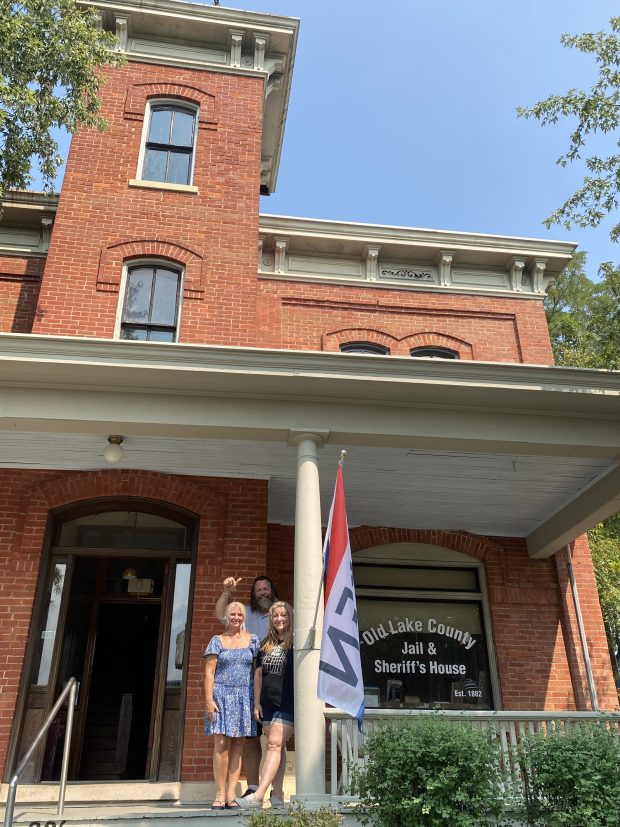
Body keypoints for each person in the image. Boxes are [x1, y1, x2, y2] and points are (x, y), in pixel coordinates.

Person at [214, 574, 279, 795]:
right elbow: (220, 613)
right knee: (251, 739)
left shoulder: (280, 614)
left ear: (272, 591)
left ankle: (275, 789)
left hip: (275, 684)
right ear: (253, 593)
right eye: (259, 589)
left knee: (275, 738)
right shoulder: (246, 614)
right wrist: (226, 591)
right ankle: (252, 787)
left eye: (266, 588)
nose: (262, 592)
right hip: (248, 685)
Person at [237, 601, 294, 809]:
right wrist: (257, 702)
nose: (279, 619)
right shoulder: (265, 644)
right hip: (267, 704)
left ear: (290, 617)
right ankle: (277, 795)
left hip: (287, 703)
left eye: (283, 615)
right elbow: (259, 673)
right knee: (278, 747)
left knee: (273, 744)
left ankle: (258, 796)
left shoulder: (296, 643)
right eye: (275, 616)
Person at [203, 602, 259, 810]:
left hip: (244, 695)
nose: (236, 617)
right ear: (226, 617)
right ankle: (219, 793)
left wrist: (256, 701)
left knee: (238, 745)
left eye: (239, 614)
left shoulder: (253, 640)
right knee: (221, 744)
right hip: (221, 696)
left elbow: (257, 673)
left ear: (243, 617)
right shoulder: (217, 641)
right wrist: (209, 700)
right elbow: (209, 672)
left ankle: (230, 794)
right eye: (232, 614)